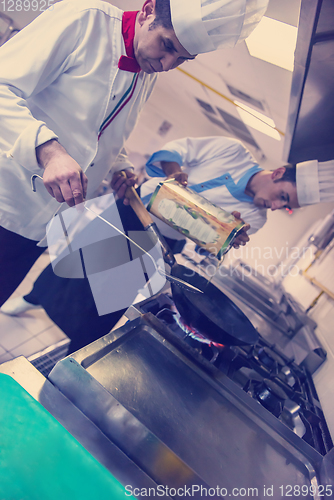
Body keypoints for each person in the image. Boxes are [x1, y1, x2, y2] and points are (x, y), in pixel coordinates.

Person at [0, 0, 269, 308]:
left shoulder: (147, 73)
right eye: (166, 45)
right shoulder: (85, 20)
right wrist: (49, 151)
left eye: (182, 58)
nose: (167, 64)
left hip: (38, 226)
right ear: (147, 10)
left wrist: (120, 167)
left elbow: (101, 136)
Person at [3, 136, 334, 355]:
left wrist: (223, 235)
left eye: (285, 206)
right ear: (277, 173)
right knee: (78, 264)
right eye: (283, 197)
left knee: (110, 300)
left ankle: (75, 350)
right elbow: (175, 151)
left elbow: (206, 246)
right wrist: (177, 174)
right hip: (133, 209)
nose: (276, 206)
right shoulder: (232, 151)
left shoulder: (255, 219)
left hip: (161, 243)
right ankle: (33, 298)